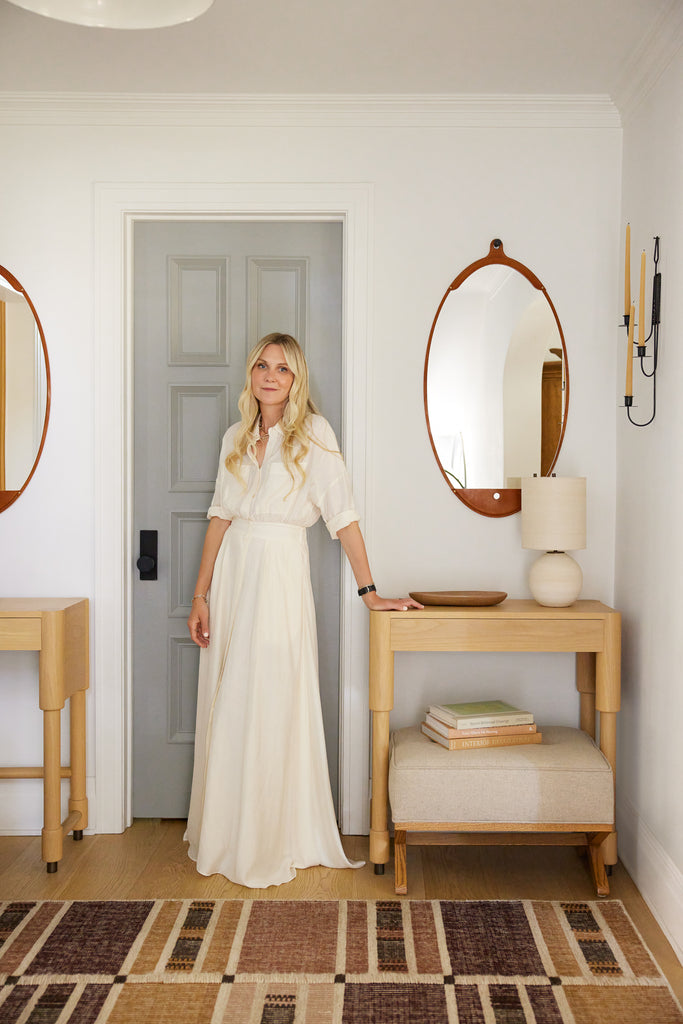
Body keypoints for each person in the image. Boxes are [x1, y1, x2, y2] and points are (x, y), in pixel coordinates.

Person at [185, 332, 422, 888]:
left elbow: (343, 517)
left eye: (283, 369)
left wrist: (371, 593)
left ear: (297, 380)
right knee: (230, 698)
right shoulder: (235, 437)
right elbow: (219, 517)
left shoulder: (314, 434)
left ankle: (272, 835)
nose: (271, 376)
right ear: (251, 375)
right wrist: (200, 594)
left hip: (279, 576)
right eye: (263, 366)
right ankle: (228, 833)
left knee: (269, 694)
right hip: (234, 575)